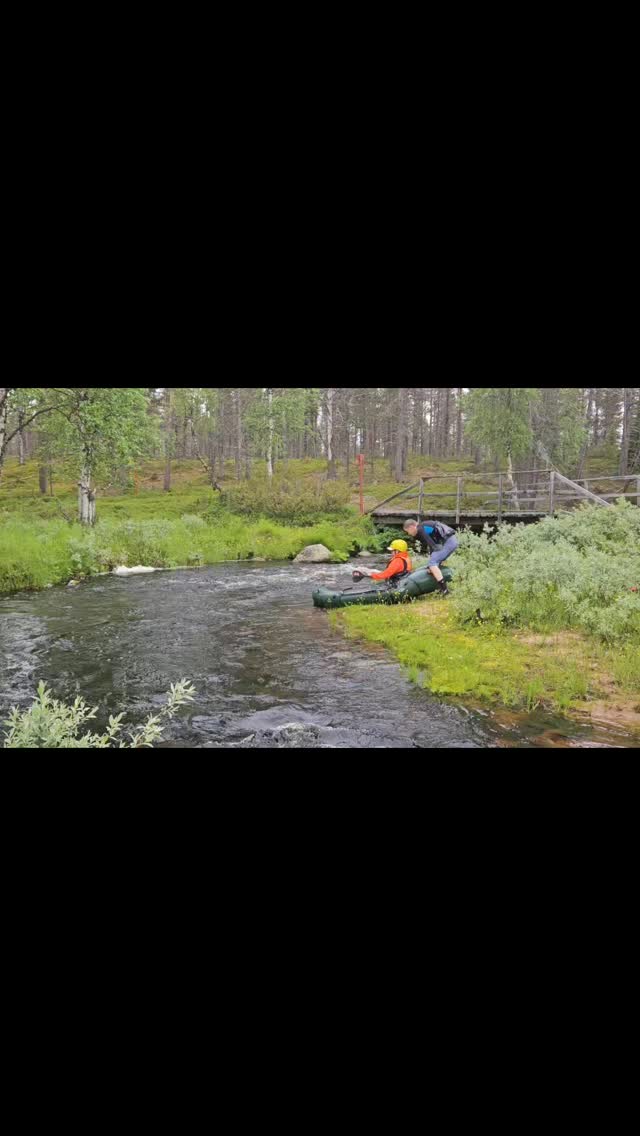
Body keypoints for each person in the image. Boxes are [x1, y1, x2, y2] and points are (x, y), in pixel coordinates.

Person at [402, 519, 458, 596]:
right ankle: (440, 588)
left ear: (412, 527)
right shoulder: (423, 526)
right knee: (433, 564)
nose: (408, 533)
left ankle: (445, 591)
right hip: (451, 541)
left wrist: (431, 563)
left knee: (432, 564)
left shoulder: (420, 529)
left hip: (448, 542)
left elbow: (432, 545)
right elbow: (433, 544)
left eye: (407, 531)